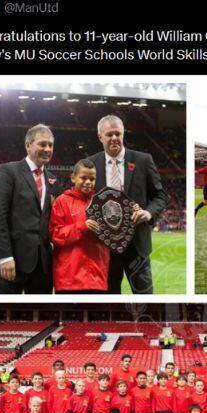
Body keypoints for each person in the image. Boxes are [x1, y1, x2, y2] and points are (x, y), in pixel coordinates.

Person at [84, 114, 167, 294]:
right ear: (100, 137)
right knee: (108, 302)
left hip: (137, 246)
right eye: (109, 134)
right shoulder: (91, 164)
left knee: (144, 299)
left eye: (118, 133)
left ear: (123, 134)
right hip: (104, 247)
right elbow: (85, 201)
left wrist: (148, 213)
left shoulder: (143, 160)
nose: (114, 138)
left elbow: (160, 195)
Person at [0, 124, 56, 294]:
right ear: (28, 145)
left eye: (50, 145)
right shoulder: (9, 171)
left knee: (41, 315)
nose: (47, 149)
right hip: (12, 262)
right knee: (5, 313)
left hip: (43, 266)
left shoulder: (52, 180)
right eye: (42, 144)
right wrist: (4, 256)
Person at [49, 159, 109, 293]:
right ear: (73, 177)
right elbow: (55, 234)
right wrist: (82, 226)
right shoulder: (61, 202)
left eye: (92, 179)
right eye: (83, 178)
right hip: (68, 279)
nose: (88, 182)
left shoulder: (103, 203)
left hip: (97, 278)